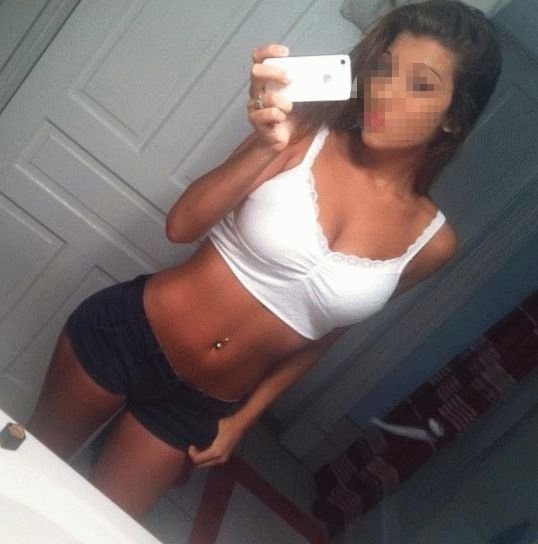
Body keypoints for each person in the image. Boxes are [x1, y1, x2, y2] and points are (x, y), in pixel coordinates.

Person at [27, 0, 501, 520]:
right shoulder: (304, 132)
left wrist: (242, 420)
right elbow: (181, 227)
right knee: (23, 474)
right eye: (385, 69)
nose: (386, 92)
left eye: (421, 85)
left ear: (454, 119)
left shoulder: (432, 243)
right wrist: (261, 147)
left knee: (94, 526)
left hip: (199, 404)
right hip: (128, 333)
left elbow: (324, 335)